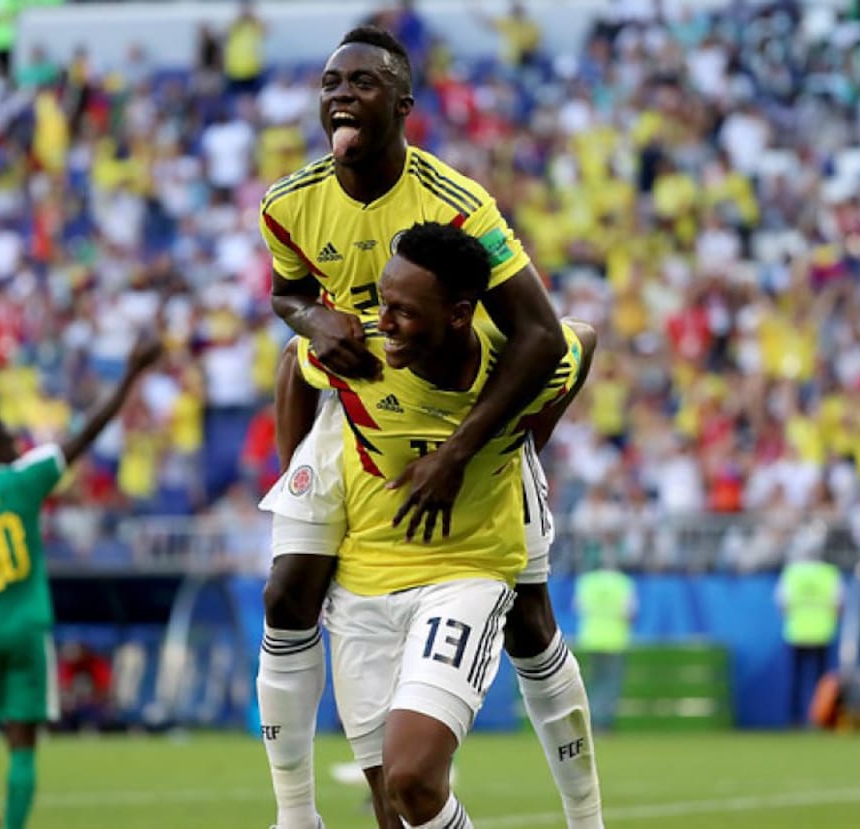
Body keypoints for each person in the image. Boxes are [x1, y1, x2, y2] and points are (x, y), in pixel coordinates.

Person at [256, 25, 602, 829]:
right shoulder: (288, 202)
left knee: (529, 617)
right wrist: (316, 323)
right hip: (358, 403)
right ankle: (295, 814)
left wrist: (487, 446)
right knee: (286, 586)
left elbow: (553, 336)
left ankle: (587, 818)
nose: (339, 94)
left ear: (404, 106)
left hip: (466, 417)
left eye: (362, 82)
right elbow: (286, 300)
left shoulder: (457, 202)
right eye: (329, 82)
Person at [289, 222, 592, 827]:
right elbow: (295, 367)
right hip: (365, 582)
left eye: (403, 310)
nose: (384, 321)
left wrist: (520, 445)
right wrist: (293, 480)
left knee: (413, 776)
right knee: (394, 809)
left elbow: (580, 340)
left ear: (458, 315)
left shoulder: (515, 363)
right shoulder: (363, 351)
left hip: (469, 571)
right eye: (382, 302)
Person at [0, 334, 162, 829]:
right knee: (23, 740)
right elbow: (86, 436)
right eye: (5, 436)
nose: (15, 441)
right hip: (26, 627)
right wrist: (130, 374)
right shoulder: (22, 478)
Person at [775, 551, 842, 727]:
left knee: (796, 679)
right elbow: (839, 605)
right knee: (822, 682)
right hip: (822, 633)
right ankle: (822, 719)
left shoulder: (792, 573)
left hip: (797, 633)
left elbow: (782, 604)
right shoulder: (829, 573)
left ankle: (795, 719)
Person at [573, 557, 637, 731]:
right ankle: (603, 722)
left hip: (591, 638)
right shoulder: (623, 583)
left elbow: (578, 607)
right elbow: (629, 612)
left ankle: (589, 720)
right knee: (610, 684)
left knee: (593, 682)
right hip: (615, 640)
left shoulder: (586, 581)